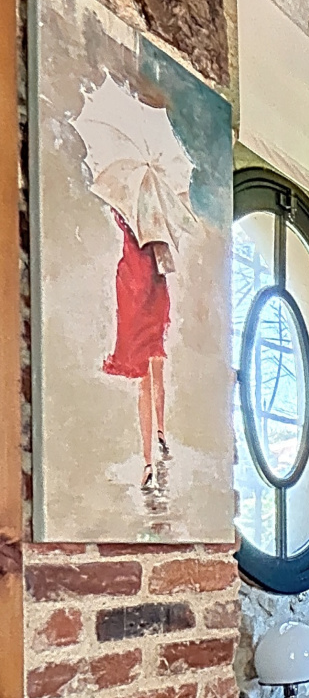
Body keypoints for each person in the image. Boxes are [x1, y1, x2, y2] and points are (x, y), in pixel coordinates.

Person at [102, 209, 173, 492]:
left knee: (144, 379)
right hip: (154, 286)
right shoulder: (156, 214)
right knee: (157, 365)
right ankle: (161, 430)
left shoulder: (125, 210)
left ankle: (147, 462)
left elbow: (120, 220)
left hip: (133, 286)